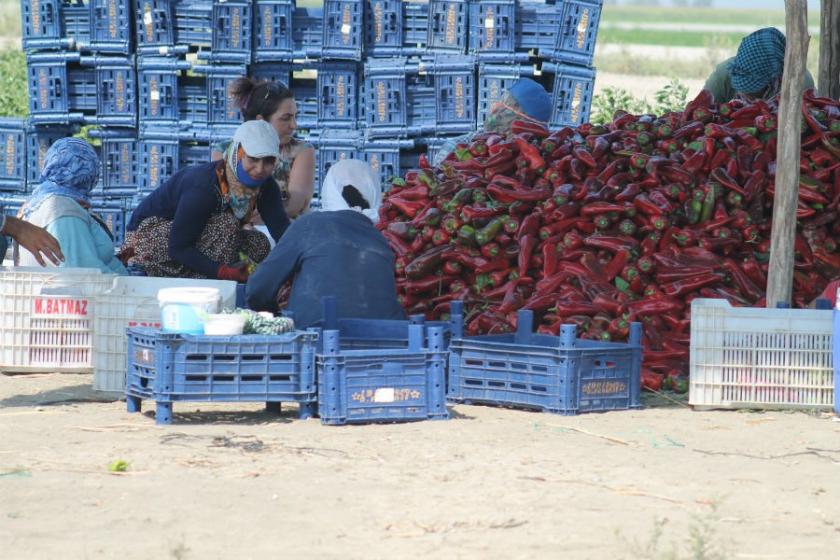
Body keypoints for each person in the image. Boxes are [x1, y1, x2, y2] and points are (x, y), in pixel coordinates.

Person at [245, 159, 406, 328]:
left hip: (314, 343)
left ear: (329, 191)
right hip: (385, 342)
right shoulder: (381, 239)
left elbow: (258, 289)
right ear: (373, 193)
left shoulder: (309, 226)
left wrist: (274, 314)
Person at [124, 120, 289, 282]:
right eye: (253, 159)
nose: (260, 169)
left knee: (260, 244)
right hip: (146, 242)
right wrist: (225, 272)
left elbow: (283, 232)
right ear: (236, 153)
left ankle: (224, 273)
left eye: (268, 161)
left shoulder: (265, 186)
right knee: (227, 226)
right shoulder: (204, 187)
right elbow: (178, 247)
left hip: (199, 238)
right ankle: (204, 278)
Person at [14, 138, 125, 273]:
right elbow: (83, 273)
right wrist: (130, 285)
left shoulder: (37, 202)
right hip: (94, 292)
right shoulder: (61, 208)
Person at [211, 77, 315, 219]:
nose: (294, 125)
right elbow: (221, 199)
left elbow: (294, 205)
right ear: (261, 121)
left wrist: (256, 216)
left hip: (284, 232)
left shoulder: (302, 151)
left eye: (295, 117)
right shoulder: (225, 151)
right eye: (286, 118)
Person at [431, 77, 553, 167]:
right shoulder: (456, 147)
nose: (496, 110)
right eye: (502, 101)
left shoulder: (525, 163)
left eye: (506, 110)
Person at [703, 27, 815, 103]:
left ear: (777, 73)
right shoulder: (723, 75)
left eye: (753, 86)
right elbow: (700, 112)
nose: (746, 93)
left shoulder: (800, 81)